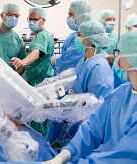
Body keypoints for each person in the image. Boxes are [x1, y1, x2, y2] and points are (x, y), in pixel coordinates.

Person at [44, 29, 137, 164]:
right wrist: (66, 154)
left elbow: (126, 157)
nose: (116, 57)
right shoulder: (122, 92)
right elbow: (93, 127)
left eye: (119, 52)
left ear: (133, 59)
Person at [46, 21, 114, 152]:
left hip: (83, 126)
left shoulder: (99, 67)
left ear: (88, 41)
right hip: (70, 119)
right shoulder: (84, 60)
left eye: (79, 35)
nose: (76, 39)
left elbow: (98, 106)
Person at [10, 7, 54, 86]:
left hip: (41, 79)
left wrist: (22, 62)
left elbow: (36, 53)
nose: (31, 22)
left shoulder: (42, 35)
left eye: (35, 20)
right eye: (29, 19)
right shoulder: (42, 35)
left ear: (43, 21)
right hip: (40, 77)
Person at [53, 1, 92, 75]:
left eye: (71, 15)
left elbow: (66, 64)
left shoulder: (83, 38)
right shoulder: (74, 35)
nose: (68, 18)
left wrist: (56, 61)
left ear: (82, 16)